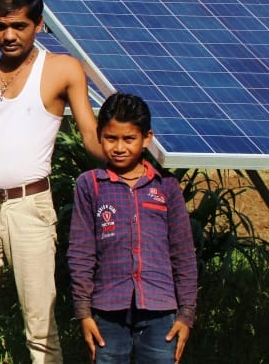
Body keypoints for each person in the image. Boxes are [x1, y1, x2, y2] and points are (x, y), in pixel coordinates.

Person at [0, 0, 102, 364]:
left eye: (19, 26)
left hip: (29, 207)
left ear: (38, 24)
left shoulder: (62, 69)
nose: (9, 36)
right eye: (0, 26)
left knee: (41, 325)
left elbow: (89, 133)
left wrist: (129, 162)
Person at [68, 93, 197, 364]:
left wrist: (186, 315)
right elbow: (81, 252)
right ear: (99, 136)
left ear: (146, 138)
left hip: (160, 311)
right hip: (107, 311)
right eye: (111, 138)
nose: (119, 147)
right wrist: (84, 313)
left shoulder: (166, 186)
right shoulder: (89, 185)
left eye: (129, 139)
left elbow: (183, 253)